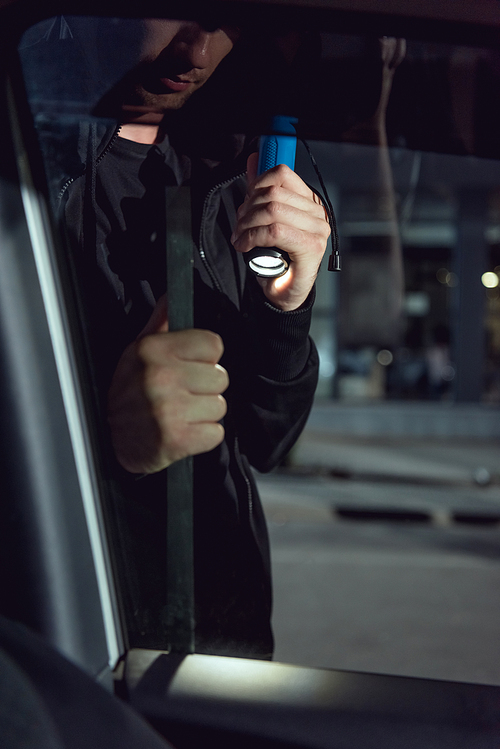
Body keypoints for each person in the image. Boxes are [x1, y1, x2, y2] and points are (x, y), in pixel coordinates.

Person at [56, 17, 330, 658]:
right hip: (64, 629)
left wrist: (286, 308)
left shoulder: (237, 167)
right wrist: (103, 440)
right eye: (174, 8)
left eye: (228, 20)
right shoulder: (28, 152)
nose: (197, 49)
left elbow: (270, 439)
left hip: (220, 634)